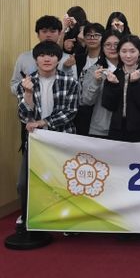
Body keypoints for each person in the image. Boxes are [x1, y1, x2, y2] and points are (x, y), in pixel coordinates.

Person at [16, 41, 78, 234]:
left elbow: (70, 112)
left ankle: (67, 222)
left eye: (51, 55)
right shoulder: (26, 82)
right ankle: (30, 220)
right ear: (36, 59)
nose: (47, 59)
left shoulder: (69, 81)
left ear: (58, 59)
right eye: (42, 55)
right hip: (36, 141)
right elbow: (24, 116)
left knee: (63, 182)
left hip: (63, 139)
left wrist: (43, 122)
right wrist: (28, 94)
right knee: (24, 184)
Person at [102, 35, 140, 142]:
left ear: (139, 52)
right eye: (124, 51)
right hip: (117, 129)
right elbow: (108, 105)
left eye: (132, 51)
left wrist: (135, 84)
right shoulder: (114, 75)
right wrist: (113, 85)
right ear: (119, 52)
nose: (128, 55)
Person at [80, 30, 122, 138]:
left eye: (116, 44)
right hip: (100, 128)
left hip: (125, 127)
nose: (112, 48)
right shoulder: (94, 70)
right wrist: (96, 82)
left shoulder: (129, 69)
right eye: (108, 44)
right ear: (102, 47)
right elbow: (86, 101)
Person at [10, 15, 65, 94]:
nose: (48, 35)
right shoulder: (24, 58)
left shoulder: (67, 58)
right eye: (44, 31)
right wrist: (26, 88)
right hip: (29, 100)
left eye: (52, 31)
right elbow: (13, 85)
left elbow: (74, 86)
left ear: (59, 33)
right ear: (38, 34)